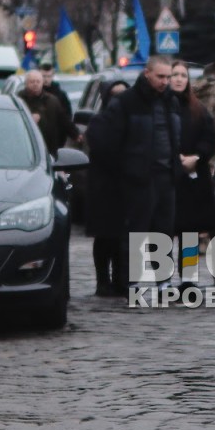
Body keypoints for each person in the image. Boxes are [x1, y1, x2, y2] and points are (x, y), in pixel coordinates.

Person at [94, 55, 181, 288]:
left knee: (164, 231)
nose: (165, 82)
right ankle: (129, 282)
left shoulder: (171, 102)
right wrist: (126, 169)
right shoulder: (126, 102)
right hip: (138, 178)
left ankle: (164, 281)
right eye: (160, 76)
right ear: (147, 74)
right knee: (136, 232)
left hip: (166, 175)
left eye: (168, 77)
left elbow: (174, 137)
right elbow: (107, 140)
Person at [83, 79, 129, 296]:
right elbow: (102, 149)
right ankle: (103, 280)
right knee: (104, 238)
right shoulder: (99, 122)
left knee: (125, 238)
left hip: (129, 186)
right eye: (115, 94)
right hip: (104, 187)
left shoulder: (135, 119)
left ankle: (123, 279)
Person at [168, 60, 215, 242]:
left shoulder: (198, 109)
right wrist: (173, 157)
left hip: (191, 181)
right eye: (175, 75)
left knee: (189, 235)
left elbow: (209, 138)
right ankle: (160, 270)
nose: (179, 79)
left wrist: (196, 157)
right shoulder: (158, 106)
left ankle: (188, 271)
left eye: (183, 75)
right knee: (160, 237)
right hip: (164, 180)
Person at [20, 66, 74, 154]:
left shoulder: (54, 99)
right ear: (26, 83)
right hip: (26, 145)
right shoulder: (19, 99)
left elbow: (64, 118)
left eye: (38, 81)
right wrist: (29, 119)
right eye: (32, 82)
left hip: (51, 144)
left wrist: (75, 133)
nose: (35, 84)